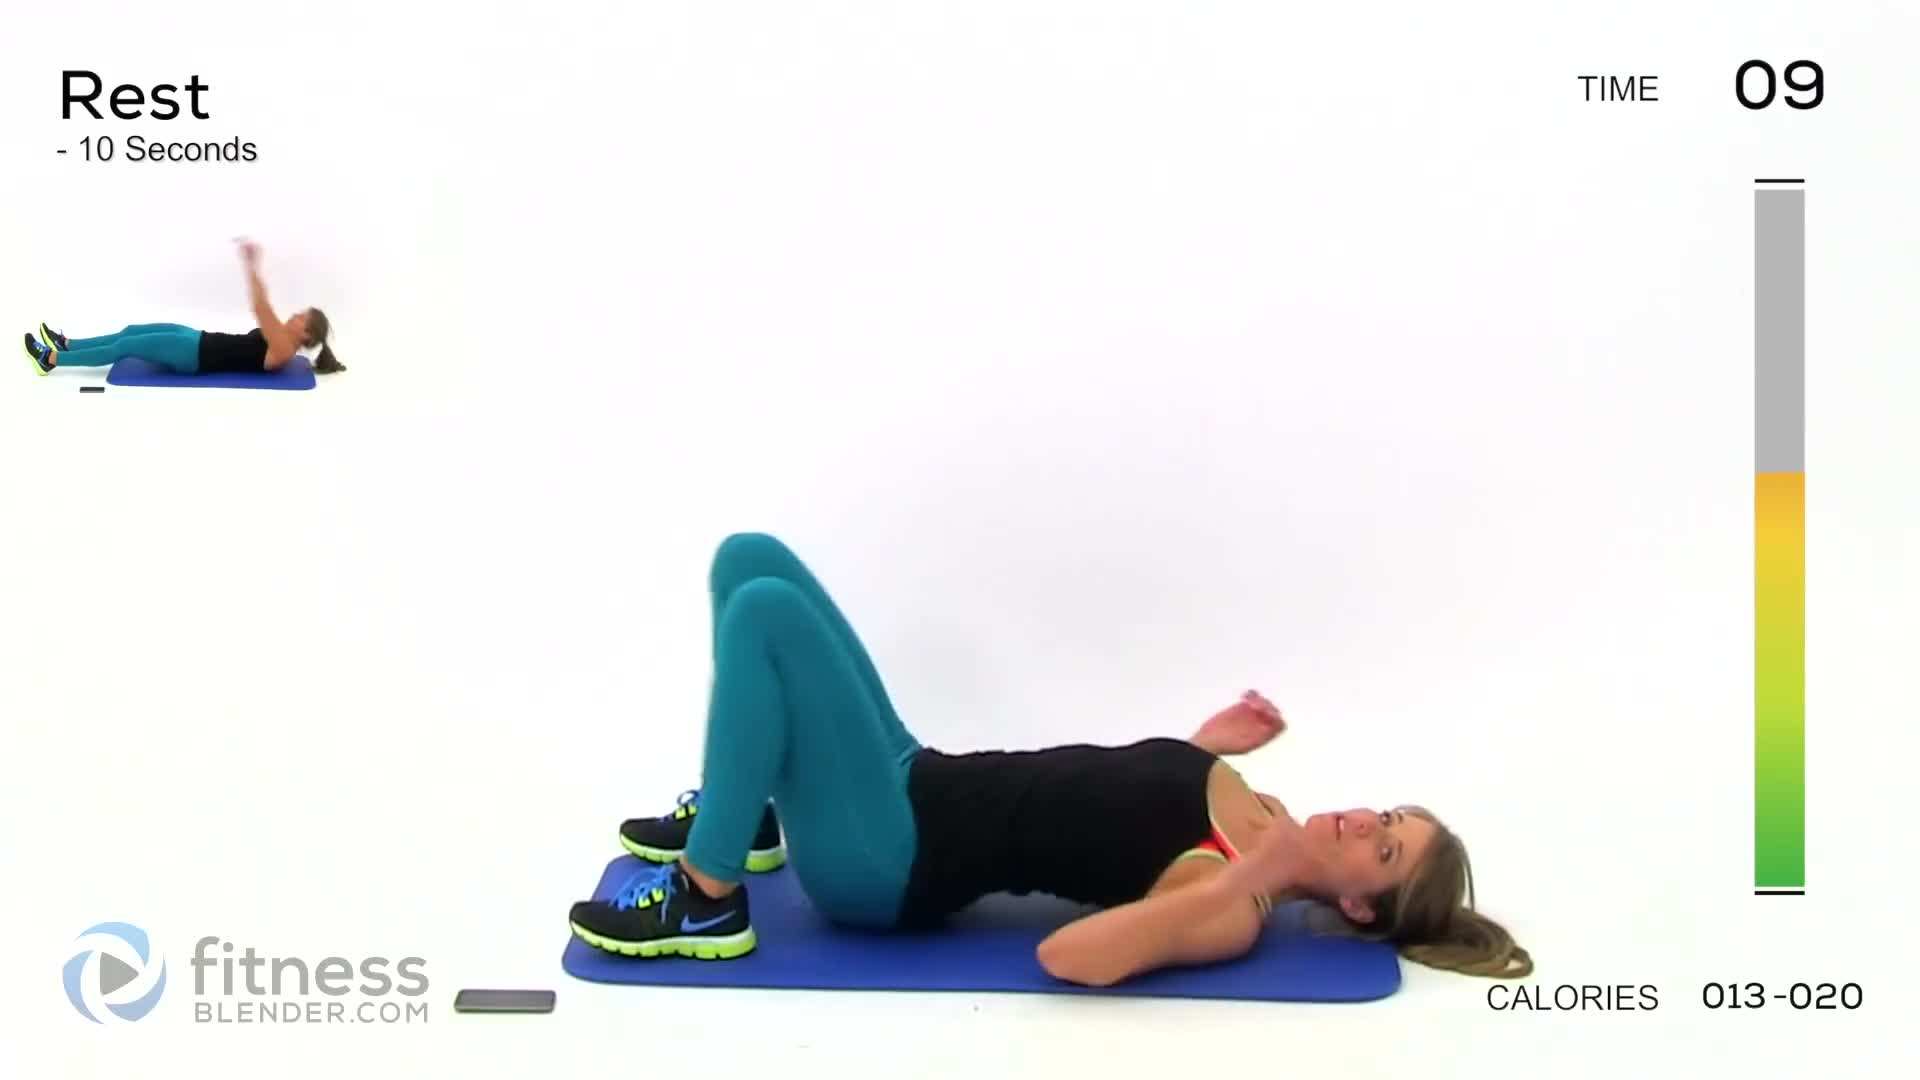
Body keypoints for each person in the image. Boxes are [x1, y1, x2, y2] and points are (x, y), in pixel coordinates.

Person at [570, 533, 1532, 984]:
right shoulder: (1267, 814)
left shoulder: (1232, 905)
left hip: (889, 859)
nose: (1366, 822)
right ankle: (747, 816)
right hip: (918, 772)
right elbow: (1109, 806)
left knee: (766, 615)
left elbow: (1068, 958)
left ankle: (706, 896)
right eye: (1389, 817)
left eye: (1384, 851)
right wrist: (1203, 745)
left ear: (1359, 905)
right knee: (751, 562)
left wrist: (1240, 882)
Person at [24, 238, 343, 378]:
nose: (296, 315)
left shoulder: (284, 348)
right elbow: (264, 309)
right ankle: (68, 344)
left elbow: (261, 307)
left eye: (302, 317)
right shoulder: (283, 342)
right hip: (197, 339)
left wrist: (251, 265)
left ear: (306, 334)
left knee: (125, 347)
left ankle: (50, 359)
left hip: (193, 356)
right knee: (130, 331)